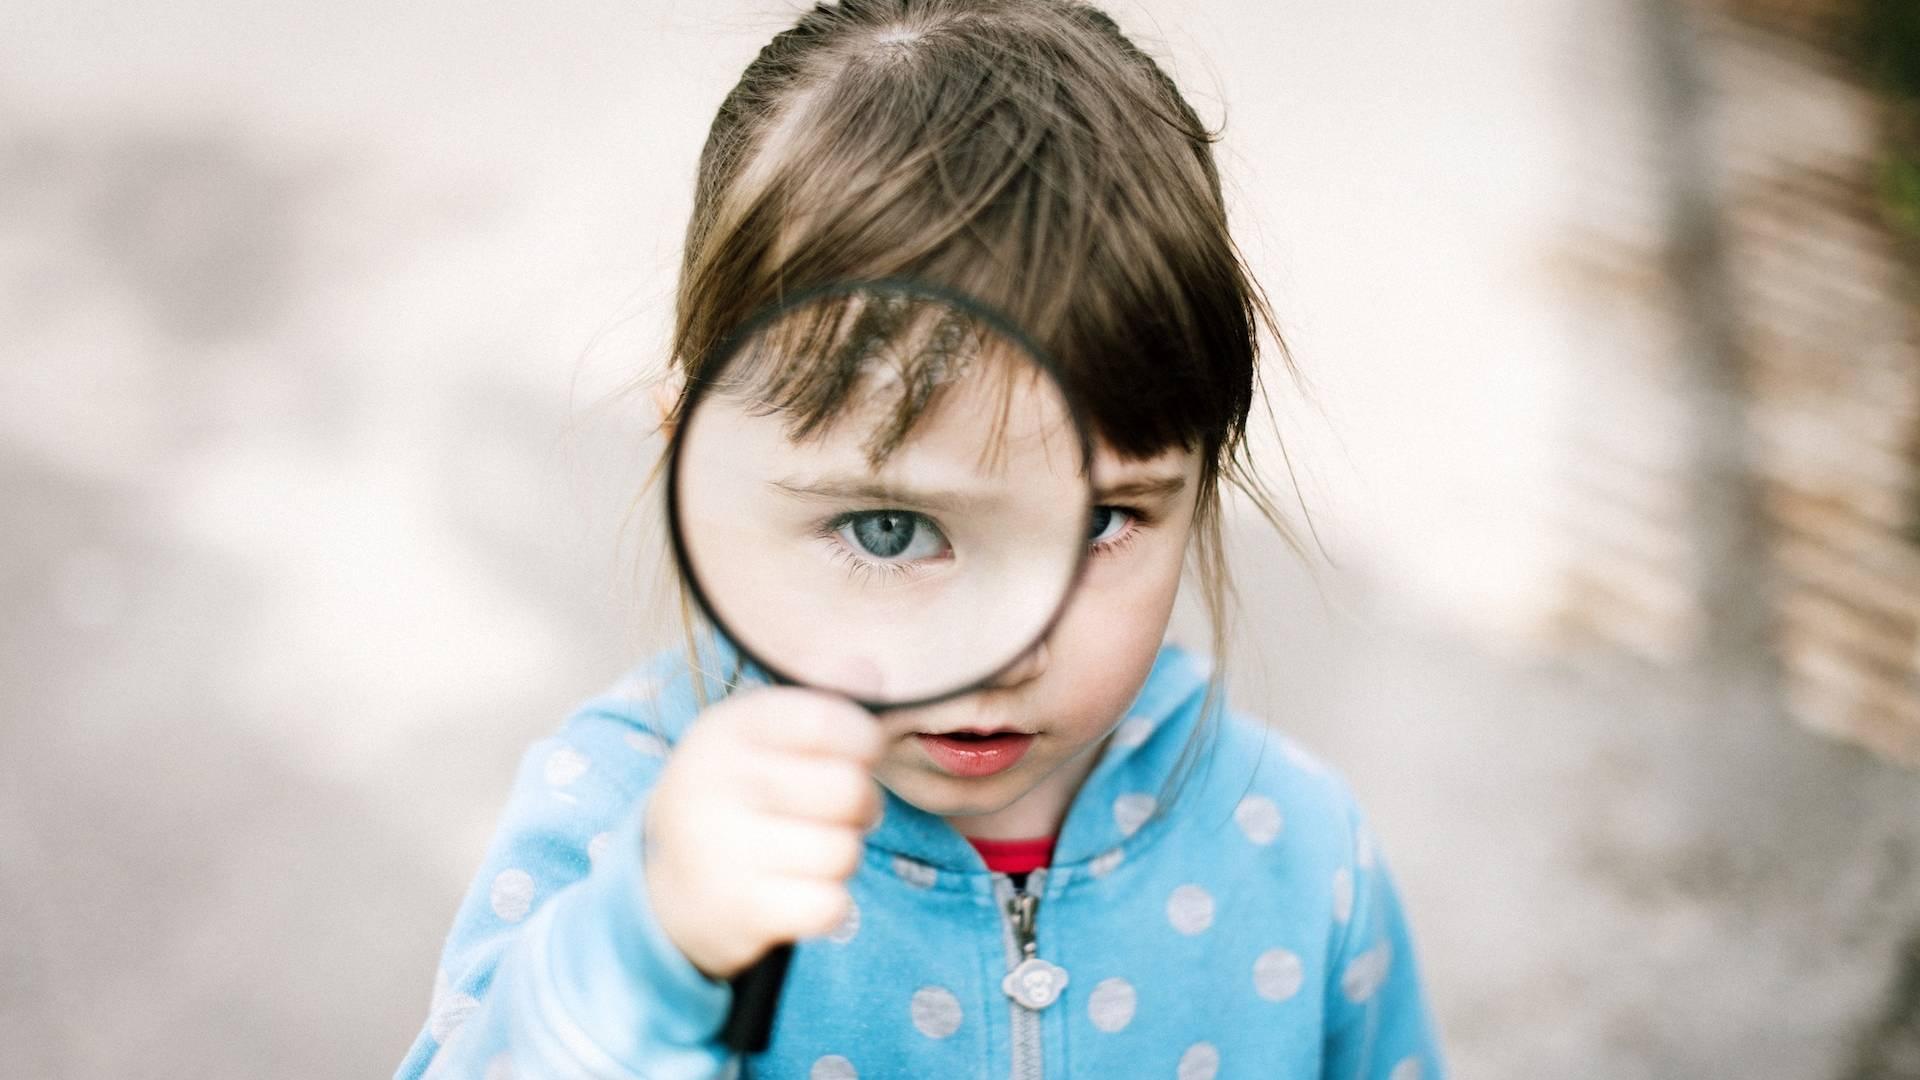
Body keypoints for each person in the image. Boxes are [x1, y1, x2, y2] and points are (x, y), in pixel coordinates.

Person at [395, 1, 1448, 1077]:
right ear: (693, 459)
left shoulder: (1295, 847)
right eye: (891, 530)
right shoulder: (623, 825)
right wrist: (637, 963)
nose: (1002, 649)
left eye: (1098, 524)